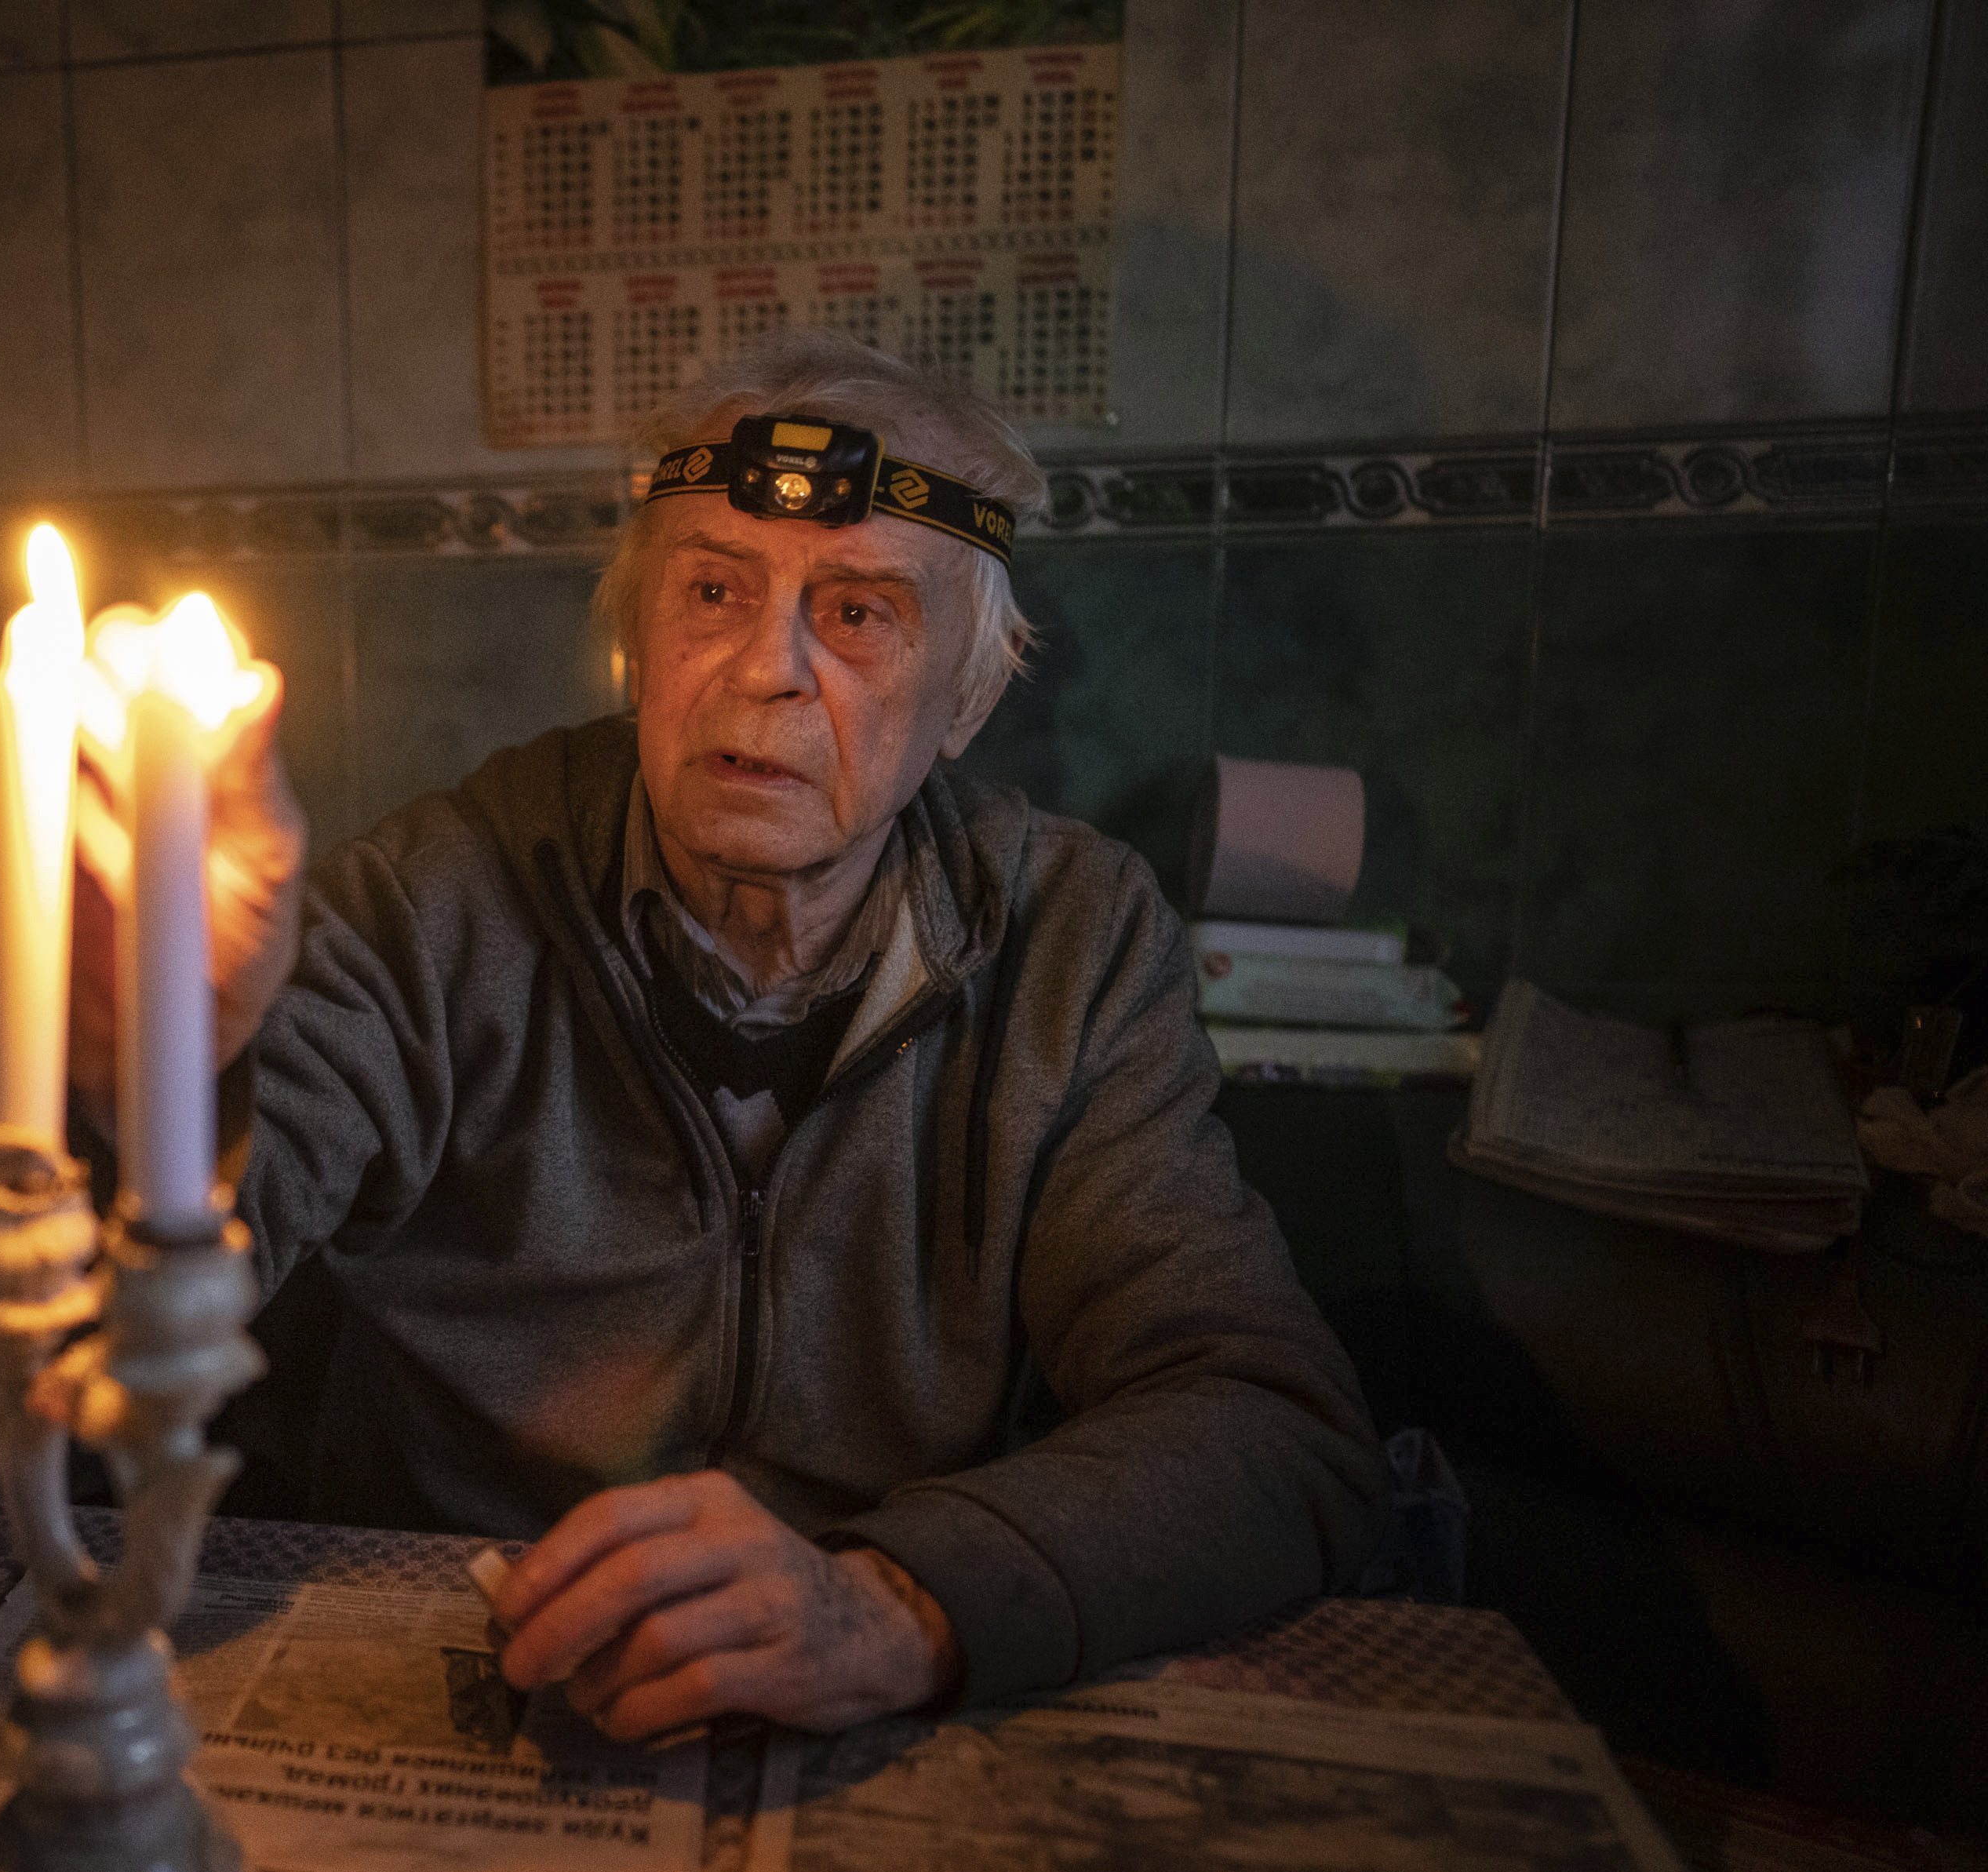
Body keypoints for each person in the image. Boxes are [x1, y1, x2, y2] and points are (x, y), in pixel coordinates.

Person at [67, 330, 1385, 1742]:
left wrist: (898, 1607)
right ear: (639, 645)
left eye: (861, 614)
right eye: (711, 590)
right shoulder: (446, 894)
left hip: (862, 1700)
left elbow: (1265, 1420)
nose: (767, 669)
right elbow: (115, 1302)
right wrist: (162, 1063)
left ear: (969, 701)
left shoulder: (1076, 942)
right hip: (450, 1656)